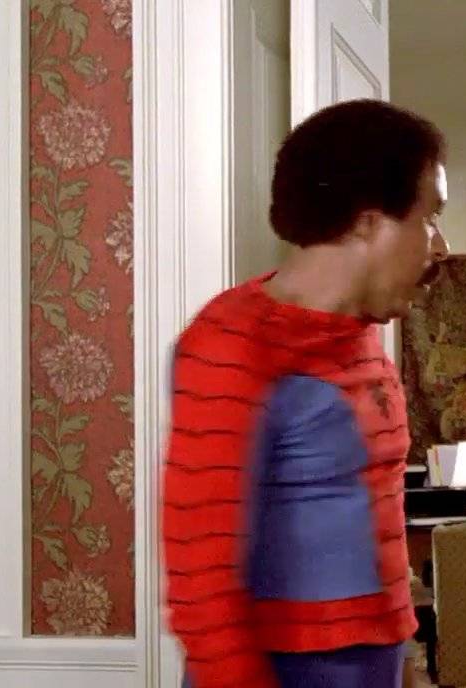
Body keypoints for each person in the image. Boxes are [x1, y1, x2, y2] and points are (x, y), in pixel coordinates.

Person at [163, 98, 450, 688]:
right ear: (367, 223)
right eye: (429, 218)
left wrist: (406, 664)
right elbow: (201, 576)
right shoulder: (230, 342)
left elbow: (376, 524)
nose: (440, 245)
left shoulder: (363, 338)